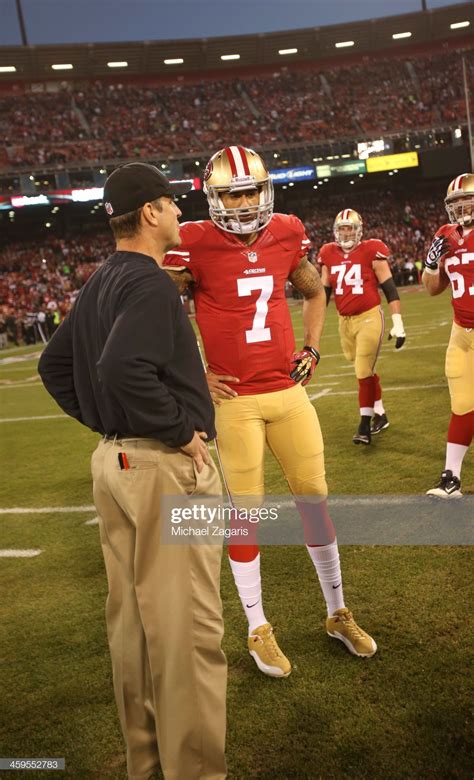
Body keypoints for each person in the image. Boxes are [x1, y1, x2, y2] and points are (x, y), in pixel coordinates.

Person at [38, 162, 227, 780]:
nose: (179, 214)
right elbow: (121, 366)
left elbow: (54, 366)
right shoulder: (148, 282)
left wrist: (105, 423)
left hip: (116, 467)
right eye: (173, 204)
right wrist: (178, 433)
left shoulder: (99, 282)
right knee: (187, 635)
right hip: (161, 469)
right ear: (150, 212)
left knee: (136, 633)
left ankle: (145, 766)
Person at [164, 146, 376, 679]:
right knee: (246, 515)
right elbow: (163, 313)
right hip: (234, 403)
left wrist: (312, 345)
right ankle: (258, 626)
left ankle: (336, 613)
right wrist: (193, 373)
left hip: (287, 392)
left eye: (249, 191)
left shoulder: (285, 231)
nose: (241, 202)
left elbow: (312, 289)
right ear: (213, 197)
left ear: (265, 191)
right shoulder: (192, 242)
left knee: (315, 501)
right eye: (231, 192)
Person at [318, 209, 406, 445]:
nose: (346, 233)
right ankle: (381, 413)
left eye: (350, 228)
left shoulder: (371, 250)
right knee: (361, 367)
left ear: (359, 230)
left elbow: (390, 289)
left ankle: (364, 426)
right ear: (336, 231)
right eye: (342, 228)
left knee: (362, 371)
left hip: (369, 317)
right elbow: (324, 291)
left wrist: (398, 322)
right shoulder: (327, 253)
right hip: (344, 321)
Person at [424, 173, 474, 498]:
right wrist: (430, 264)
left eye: (466, 200)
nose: (461, 208)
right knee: (462, 403)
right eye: (455, 203)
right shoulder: (445, 234)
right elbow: (432, 289)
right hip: (461, 332)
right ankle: (451, 479)